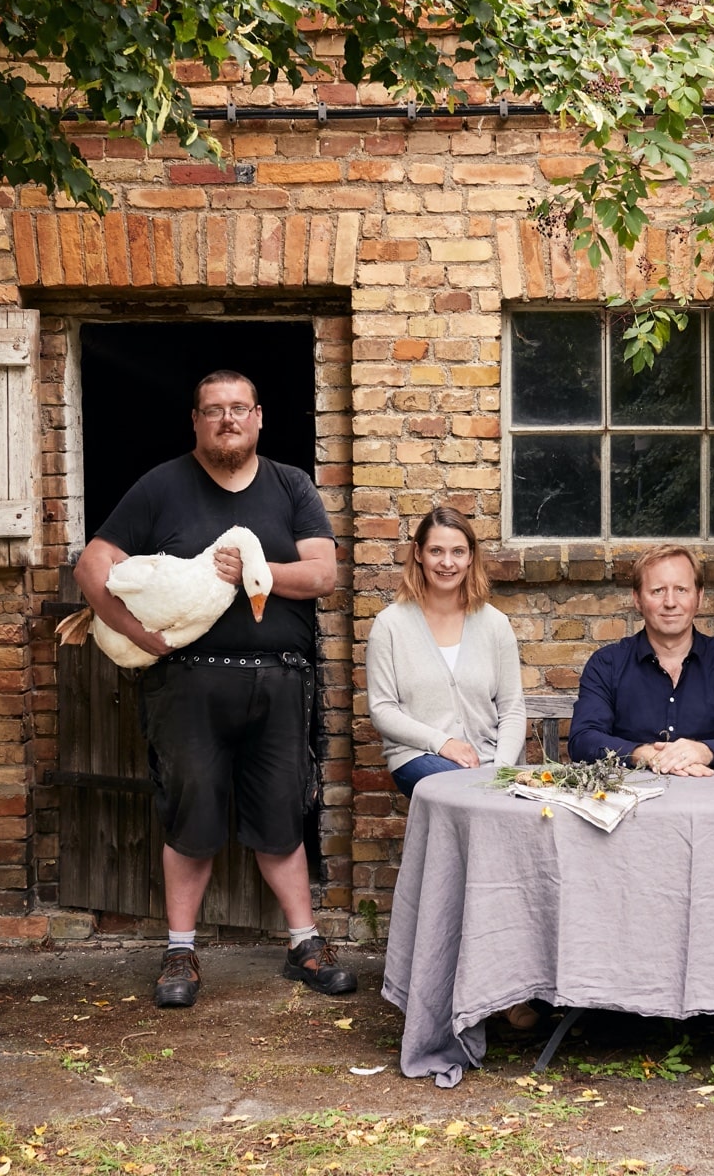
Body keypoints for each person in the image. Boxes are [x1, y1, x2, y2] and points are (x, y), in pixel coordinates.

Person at [75, 369, 355, 1010]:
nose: (227, 420)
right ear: (196, 422)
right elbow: (92, 565)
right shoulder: (162, 487)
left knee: (283, 813)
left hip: (281, 680)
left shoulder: (291, 487)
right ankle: (180, 950)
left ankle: (305, 945)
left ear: (259, 416)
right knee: (189, 814)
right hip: (188, 685)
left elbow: (323, 574)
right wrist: (135, 634)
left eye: (238, 409)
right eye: (213, 410)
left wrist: (257, 569)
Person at [569, 544, 714, 774]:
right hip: (632, 798)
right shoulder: (606, 664)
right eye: (658, 590)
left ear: (699, 596)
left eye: (681, 589)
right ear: (637, 599)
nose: (670, 602)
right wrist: (643, 754)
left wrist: (705, 751)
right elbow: (583, 740)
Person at [367, 505, 527, 796]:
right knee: (469, 790)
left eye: (458, 552)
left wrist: (502, 770)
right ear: (418, 554)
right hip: (417, 757)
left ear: (470, 557)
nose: (447, 563)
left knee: (486, 792)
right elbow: (382, 710)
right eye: (436, 551)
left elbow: (512, 708)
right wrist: (443, 743)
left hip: (486, 761)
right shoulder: (390, 625)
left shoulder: (495, 625)